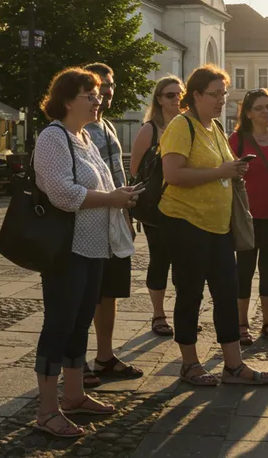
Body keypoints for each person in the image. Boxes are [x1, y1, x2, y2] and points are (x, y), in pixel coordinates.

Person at [31, 67, 140, 438]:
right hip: (66, 249)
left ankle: (75, 395)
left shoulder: (84, 138)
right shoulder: (54, 136)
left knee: (79, 323)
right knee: (59, 324)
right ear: (66, 101)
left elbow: (104, 184)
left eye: (98, 94)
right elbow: (62, 194)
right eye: (89, 95)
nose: (98, 100)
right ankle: (47, 410)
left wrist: (122, 197)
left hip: (94, 248)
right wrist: (111, 199)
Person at [159, 65, 268, 386]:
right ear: (195, 95)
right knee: (190, 293)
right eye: (215, 94)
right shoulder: (182, 126)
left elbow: (222, 167)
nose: (222, 99)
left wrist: (234, 169)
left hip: (219, 226)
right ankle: (190, 364)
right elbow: (173, 174)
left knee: (226, 293)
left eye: (224, 93)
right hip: (185, 223)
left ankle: (234, 366)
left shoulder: (216, 127)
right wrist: (221, 172)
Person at [80, 63, 142, 386]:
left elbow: (117, 173)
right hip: (89, 221)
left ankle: (105, 356)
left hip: (116, 219)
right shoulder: (75, 128)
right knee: (85, 293)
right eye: (101, 85)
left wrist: (128, 214)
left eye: (111, 84)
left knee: (109, 292)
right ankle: (76, 362)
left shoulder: (107, 126)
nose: (107, 91)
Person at [229, 88, 268, 345]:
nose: (266, 112)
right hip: (247, 216)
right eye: (259, 108)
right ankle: (241, 324)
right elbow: (229, 175)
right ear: (248, 113)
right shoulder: (237, 140)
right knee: (244, 270)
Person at [130, 76, 185, 337]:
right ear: (159, 99)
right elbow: (135, 169)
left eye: (180, 94)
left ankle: (183, 313)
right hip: (157, 206)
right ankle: (159, 314)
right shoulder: (150, 130)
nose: (176, 99)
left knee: (185, 262)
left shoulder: (189, 125)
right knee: (160, 259)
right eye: (170, 95)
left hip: (187, 204)